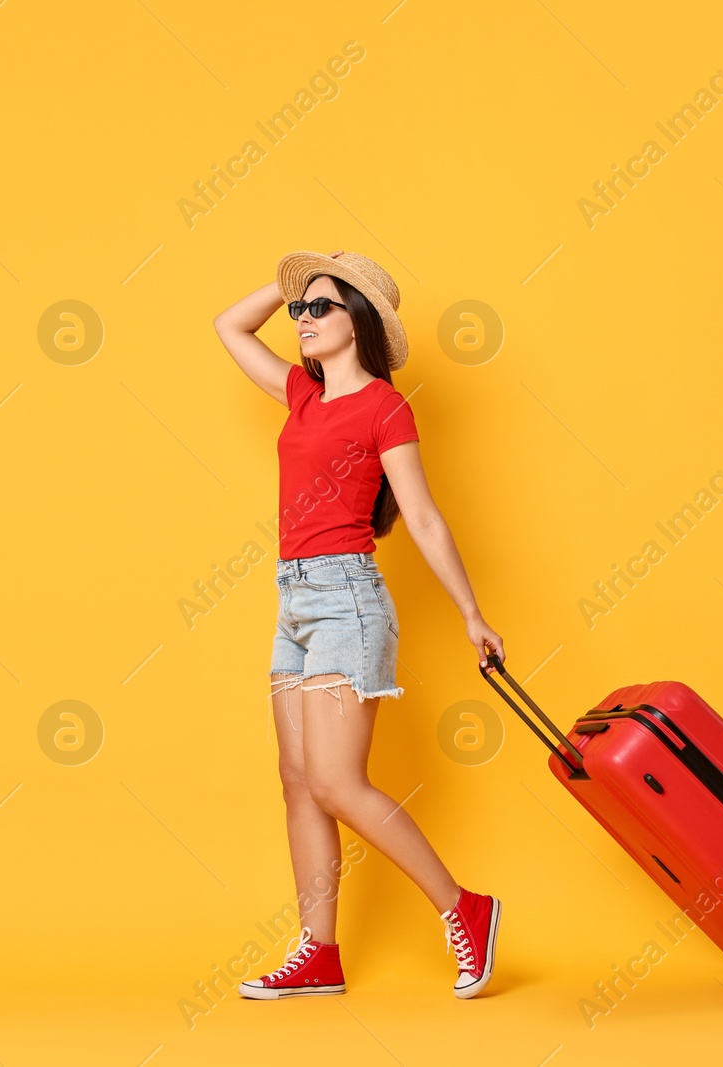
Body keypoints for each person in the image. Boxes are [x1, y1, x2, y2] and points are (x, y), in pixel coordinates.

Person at [212, 249, 507, 1000]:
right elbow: (229, 324)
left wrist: (472, 613)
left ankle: (463, 907)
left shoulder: (385, 406)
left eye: (321, 308)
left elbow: (426, 516)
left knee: (338, 781)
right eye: (300, 310)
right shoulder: (302, 395)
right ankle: (320, 952)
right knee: (299, 783)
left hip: (348, 598)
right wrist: (299, 280)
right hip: (295, 601)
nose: (303, 320)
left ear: (360, 321)